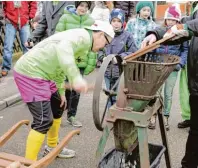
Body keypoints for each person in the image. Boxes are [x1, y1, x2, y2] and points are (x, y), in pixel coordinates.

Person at [13, 20, 115, 161]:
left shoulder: (83, 42)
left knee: (59, 105)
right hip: (30, 73)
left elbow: (61, 65)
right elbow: (63, 50)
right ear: (100, 35)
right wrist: (75, 79)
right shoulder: (83, 37)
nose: (104, 47)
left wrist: (61, 93)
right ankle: (28, 163)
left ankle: (52, 146)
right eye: (106, 43)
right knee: (43, 121)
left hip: (45, 74)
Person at [141, 10, 198, 168]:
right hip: (196, 86)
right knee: (195, 131)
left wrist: (184, 27)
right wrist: (156, 35)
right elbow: (180, 28)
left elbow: (186, 26)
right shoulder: (195, 14)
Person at [148, 4, 188, 131]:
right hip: (158, 67)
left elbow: (185, 49)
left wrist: (180, 64)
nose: (171, 22)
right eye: (169, 19)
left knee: (168, 94)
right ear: (165, 19)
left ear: (178, 21)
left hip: (172, 68)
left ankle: (165, 116)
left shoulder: (181, 34)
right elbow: (152, 48)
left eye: (174, 20)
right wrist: (153, 61)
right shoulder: (158, 31)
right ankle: (153, 116)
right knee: (155, 92)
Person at [55, 1, 95, 127]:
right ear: (77, 6)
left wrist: (90, 63)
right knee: (64, 87)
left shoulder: (91, 21)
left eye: (86, 6)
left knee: (76, 91)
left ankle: (72, 116)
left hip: (81, 61)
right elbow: (57, 37)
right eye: (81, 5)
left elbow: (93, 44)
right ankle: (59, 115)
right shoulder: (65, 18)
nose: (83, 8)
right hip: (66, 60)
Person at [98, 8, 137, 108]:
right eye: (114, 21)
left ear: (123, 22)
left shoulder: (127, 36)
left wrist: (119, 58)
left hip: (120, 72)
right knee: (109, 96)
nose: (116, 24)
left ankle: (116, 118)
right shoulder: (105, 34)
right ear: (110, 21)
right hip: (106, 72)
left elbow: (133, 51)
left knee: (118, 97)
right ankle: (108, 119)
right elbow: (98, 49)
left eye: (119, 21)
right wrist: (101, 57)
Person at [1, 1, 37, 77]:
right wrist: (5, 16)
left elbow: (33, 3)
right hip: (10, 22)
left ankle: (28, 67)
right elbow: (2, 5)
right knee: (8, 46)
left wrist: (30, 15)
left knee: (27, 46)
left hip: (24, 21)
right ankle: (5, 67)